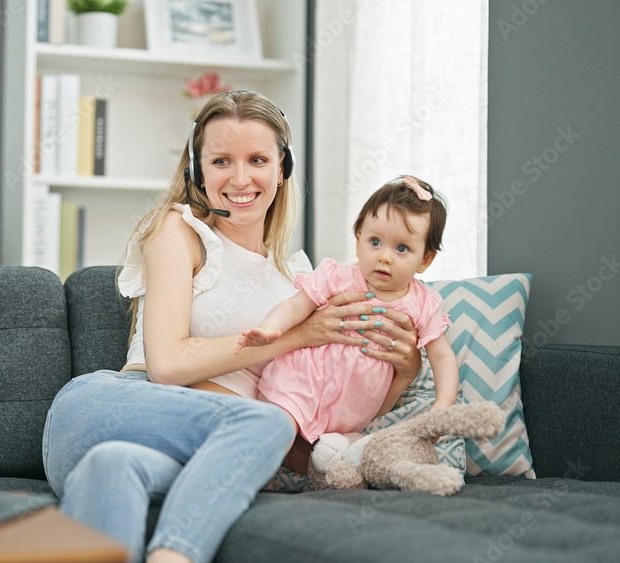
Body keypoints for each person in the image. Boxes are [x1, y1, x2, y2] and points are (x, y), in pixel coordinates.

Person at [41, 91, 423, 563]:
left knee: (115, 466)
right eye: (221, 160)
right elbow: (166, 364)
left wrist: (404, 371)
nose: (240, 178)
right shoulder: (181, 231)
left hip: (202, 448)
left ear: (282, 169)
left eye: (257, 159)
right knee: (266, 424)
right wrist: (301, 335)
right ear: (197, 172)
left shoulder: (299, 275)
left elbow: (332, 408)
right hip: (115, 405)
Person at [236, 176, 459, 445]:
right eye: (375, 242)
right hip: (301, 382)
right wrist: (270, 329)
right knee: (274, 435)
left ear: (424, 259)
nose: (384, 256)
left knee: (335, 457)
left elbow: (443, 358)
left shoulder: (423, 303)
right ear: (358, 239)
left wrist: (444, 403)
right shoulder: (339, 276)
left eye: (402, 248)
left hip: (353, 409)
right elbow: (296, 306)